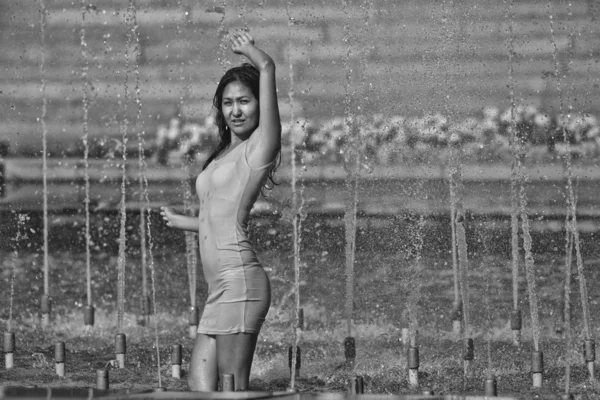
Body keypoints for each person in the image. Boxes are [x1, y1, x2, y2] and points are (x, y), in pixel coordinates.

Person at [160, 30, 281, 391]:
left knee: (232, 390)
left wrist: (254, 54)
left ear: (259, 104)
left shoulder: (260, 147)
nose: (236, 110)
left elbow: (269, 68)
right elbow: (220, 218)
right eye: (228, 103)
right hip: (218, 289)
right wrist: (187, 222)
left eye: (245, 101)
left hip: (240, 283)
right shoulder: (224, 154)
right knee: (199, 390)